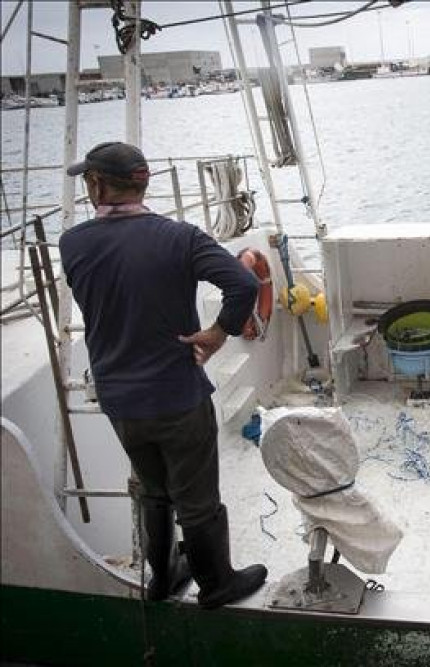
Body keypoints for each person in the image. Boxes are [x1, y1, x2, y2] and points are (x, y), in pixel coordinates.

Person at [59, 141, 267, 609]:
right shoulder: (181, 238)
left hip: (119, 399)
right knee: (196, 496)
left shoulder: (72, 244)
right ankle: (217, 585)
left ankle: (163, 578)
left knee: (153, 489)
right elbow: (244, 283)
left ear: (95, 185)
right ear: (142, 182)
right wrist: (216, 333)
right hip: (176, 395)